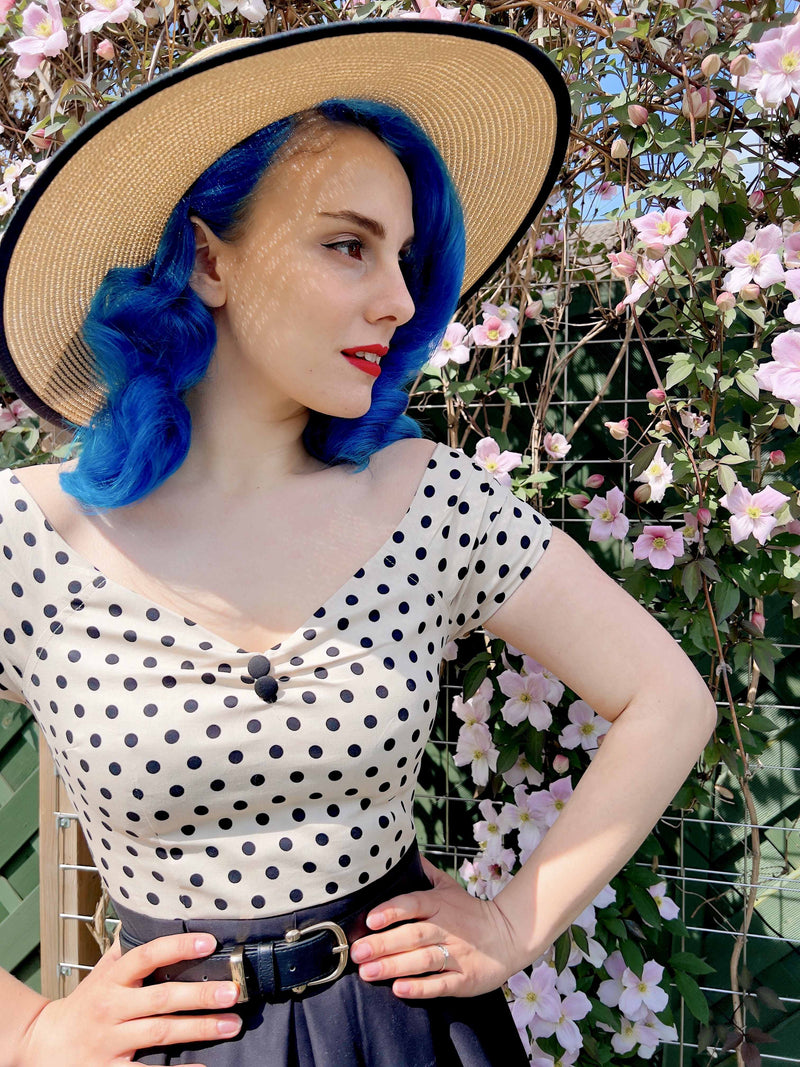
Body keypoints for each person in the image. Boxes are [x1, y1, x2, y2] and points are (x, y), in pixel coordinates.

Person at [0, 20, 716, 1067]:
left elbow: (669, 699)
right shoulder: (27, 536)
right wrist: (27, 1031)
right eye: (348, 244)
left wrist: (513, 923)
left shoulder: (429, 500)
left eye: (405, 257)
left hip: (407, 1032)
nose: (401, 299)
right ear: (209, 258)